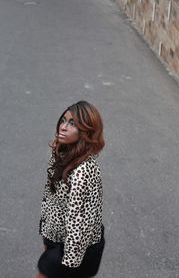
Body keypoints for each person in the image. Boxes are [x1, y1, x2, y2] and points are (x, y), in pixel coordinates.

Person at [36, 101, 105, 278]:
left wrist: (68, 263)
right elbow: (50, 195)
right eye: (64, 120)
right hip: (55, 235)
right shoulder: (62, 151)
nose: (63, 127)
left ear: (87, 132)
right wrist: (47, 231)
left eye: (72, 124)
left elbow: (80, 222)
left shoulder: (83, 171)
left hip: (73, 249)